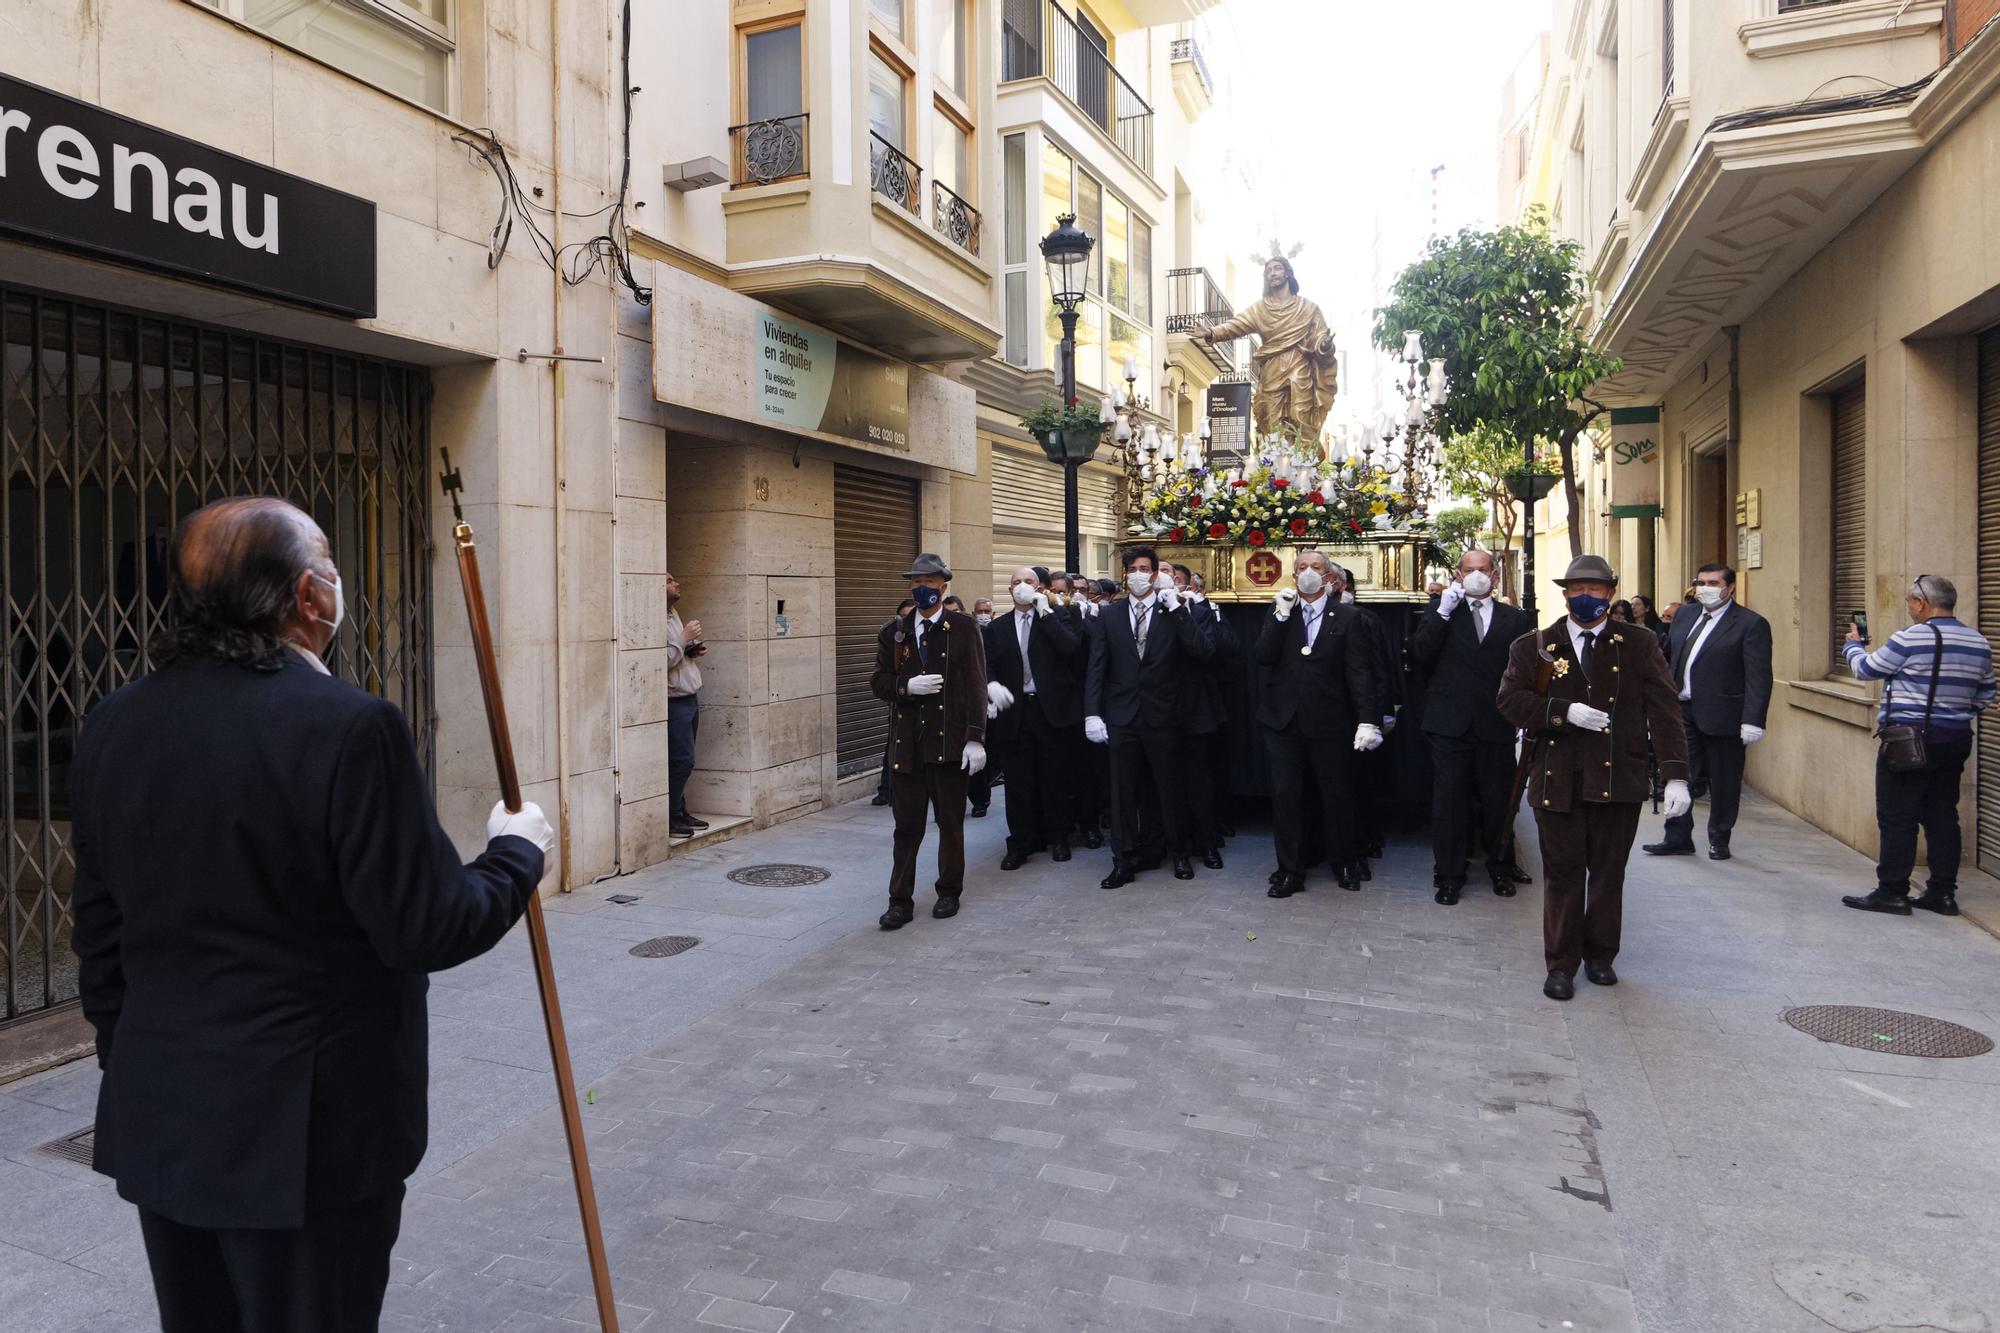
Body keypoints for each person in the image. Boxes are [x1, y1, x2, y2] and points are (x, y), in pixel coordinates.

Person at [69, 497, 552, 1333]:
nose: (337, 581)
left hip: (167, 1120)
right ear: (308, 596)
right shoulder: (350, 728)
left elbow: (98, 937)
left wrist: (140, 1057)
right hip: (310, 1146)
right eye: (328, 564)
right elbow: (427, 923)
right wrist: (517, 851)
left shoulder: (114, 722)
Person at [1497, 554, 1690, 1001]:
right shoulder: (1537, 645)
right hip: (1558, 778)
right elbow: (1509, 701)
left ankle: (1601, 956)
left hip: (1617, 777)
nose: (1585, 597)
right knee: (1562, 876)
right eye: (1576, 590)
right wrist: (1562, 713)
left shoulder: (1638, 643)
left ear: (1610, 592)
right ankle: (1561, 964)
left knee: (1608, 873)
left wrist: (1676, 775)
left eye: (1594, 589)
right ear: (1565, 594)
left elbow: (1664, 710)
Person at [1841, 575, 1997, 916]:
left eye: (1911, 602)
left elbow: (1867, 670)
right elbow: (1985, 694)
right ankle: (1942, 894)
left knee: (1898, 816)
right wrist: (1952, 714)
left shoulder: (1911, 637)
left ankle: (1892, 891)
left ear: (1922, 603)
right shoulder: (1977, 641)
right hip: (1954, 740)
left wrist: (1853, 645)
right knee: (1942, 814)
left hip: (1909, 742)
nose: (1909, 607)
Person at [1252, 552, 1383, 897]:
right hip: (1284, 722)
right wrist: (1280, 617)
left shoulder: (1349, 616)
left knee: (1337, 795)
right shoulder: (1281, 610)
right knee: (1286, 797)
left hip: (1331, 722)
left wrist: (1368, 720)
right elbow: (1263, 656)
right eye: (1302, 568)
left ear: (1328, 577)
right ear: (1294, 576)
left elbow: (1360, 673)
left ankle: (1344, 862)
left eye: (1316, 568)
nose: (1309, 573)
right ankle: (1289, 870)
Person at [1084, 545, 1214, 888]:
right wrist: (1092, 714)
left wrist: (1178, 611)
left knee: (1168, 788)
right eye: (1132, 569)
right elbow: (1097, 666)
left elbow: (1201, 652)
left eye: (1145, 568)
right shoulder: (1109, 615)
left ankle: (1179, 853)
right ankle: (1123, 859)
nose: (1139, 574)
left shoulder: (1173, 610)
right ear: (1125, 576)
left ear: (1155, 575)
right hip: (1122, 716)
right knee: (1122, 792)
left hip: (1163, 715)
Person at [871, 554, 987, 929]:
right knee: (906, 828)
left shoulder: (964, 628)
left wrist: (975, 739)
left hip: (948, 742)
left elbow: (975, 685)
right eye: (917, 581)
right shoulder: (895, 631)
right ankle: (899, 901)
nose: (923, 588)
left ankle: (949, 891)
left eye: (931, 582)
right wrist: (906, 686)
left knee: (950, 823)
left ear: (944, 587)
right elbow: (879, 682)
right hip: (907, 744)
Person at [1412, 547, 1534, 904]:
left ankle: (1501, 867)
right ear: (1458, 574)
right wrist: (1444, 612)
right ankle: (1449, 874)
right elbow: (1420, 654)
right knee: (1449, 802)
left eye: (1483, 569)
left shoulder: (1516, 619)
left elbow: (1526, 673)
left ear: (1495, 577)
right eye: (1469, 569)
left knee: (1499, 802)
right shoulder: (1441, 611)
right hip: (1449, 724)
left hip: (1496, 724)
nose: (1477, 575)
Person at [1642, 563, 1772, 861]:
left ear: (1730, 588)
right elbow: (1668, 657)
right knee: (1678, 775)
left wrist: (1753, 720)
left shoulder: (1750, 624)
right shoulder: (1685, 615)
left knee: (1724, 782)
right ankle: (1677, 837)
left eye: (1713, 582)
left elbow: (1758, 676)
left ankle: (1719, 839)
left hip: (1724, 716)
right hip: (1682, 710)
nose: (1706, 588)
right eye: (1701, 582)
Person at [983, 567, 1083, 869]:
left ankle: (1058, 837)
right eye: (1016, 582)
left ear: (1040, 588)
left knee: (1054, 777)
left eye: (1028, 582)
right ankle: (1021, 842)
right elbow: (987, 663)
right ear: (1009, 590)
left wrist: (1046, 613)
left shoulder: (1056, 617)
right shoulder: (996, 628)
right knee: (1018, 781)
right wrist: (991, 685)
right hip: (1015, 711)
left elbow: (1070, 649)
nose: (1021, 587)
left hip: (1049, 709)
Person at [666, 571, 707, 839]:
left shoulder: (672, 614)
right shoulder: (653, 618)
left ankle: (680, 811)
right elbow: (661, 659)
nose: (676, 583)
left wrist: (690, 648)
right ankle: (670, 817)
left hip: (689, 697)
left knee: (684, 760)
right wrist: (683, 638)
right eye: (668, 581)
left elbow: (677, 655)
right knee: (682, 760)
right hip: (674, 702)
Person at [872, 597, 917, 806]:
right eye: (904, 616)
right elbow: (880, 680)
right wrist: (905, 687)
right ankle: (886, 789)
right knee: (894, 748)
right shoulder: (892, 636)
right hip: (901, 709)